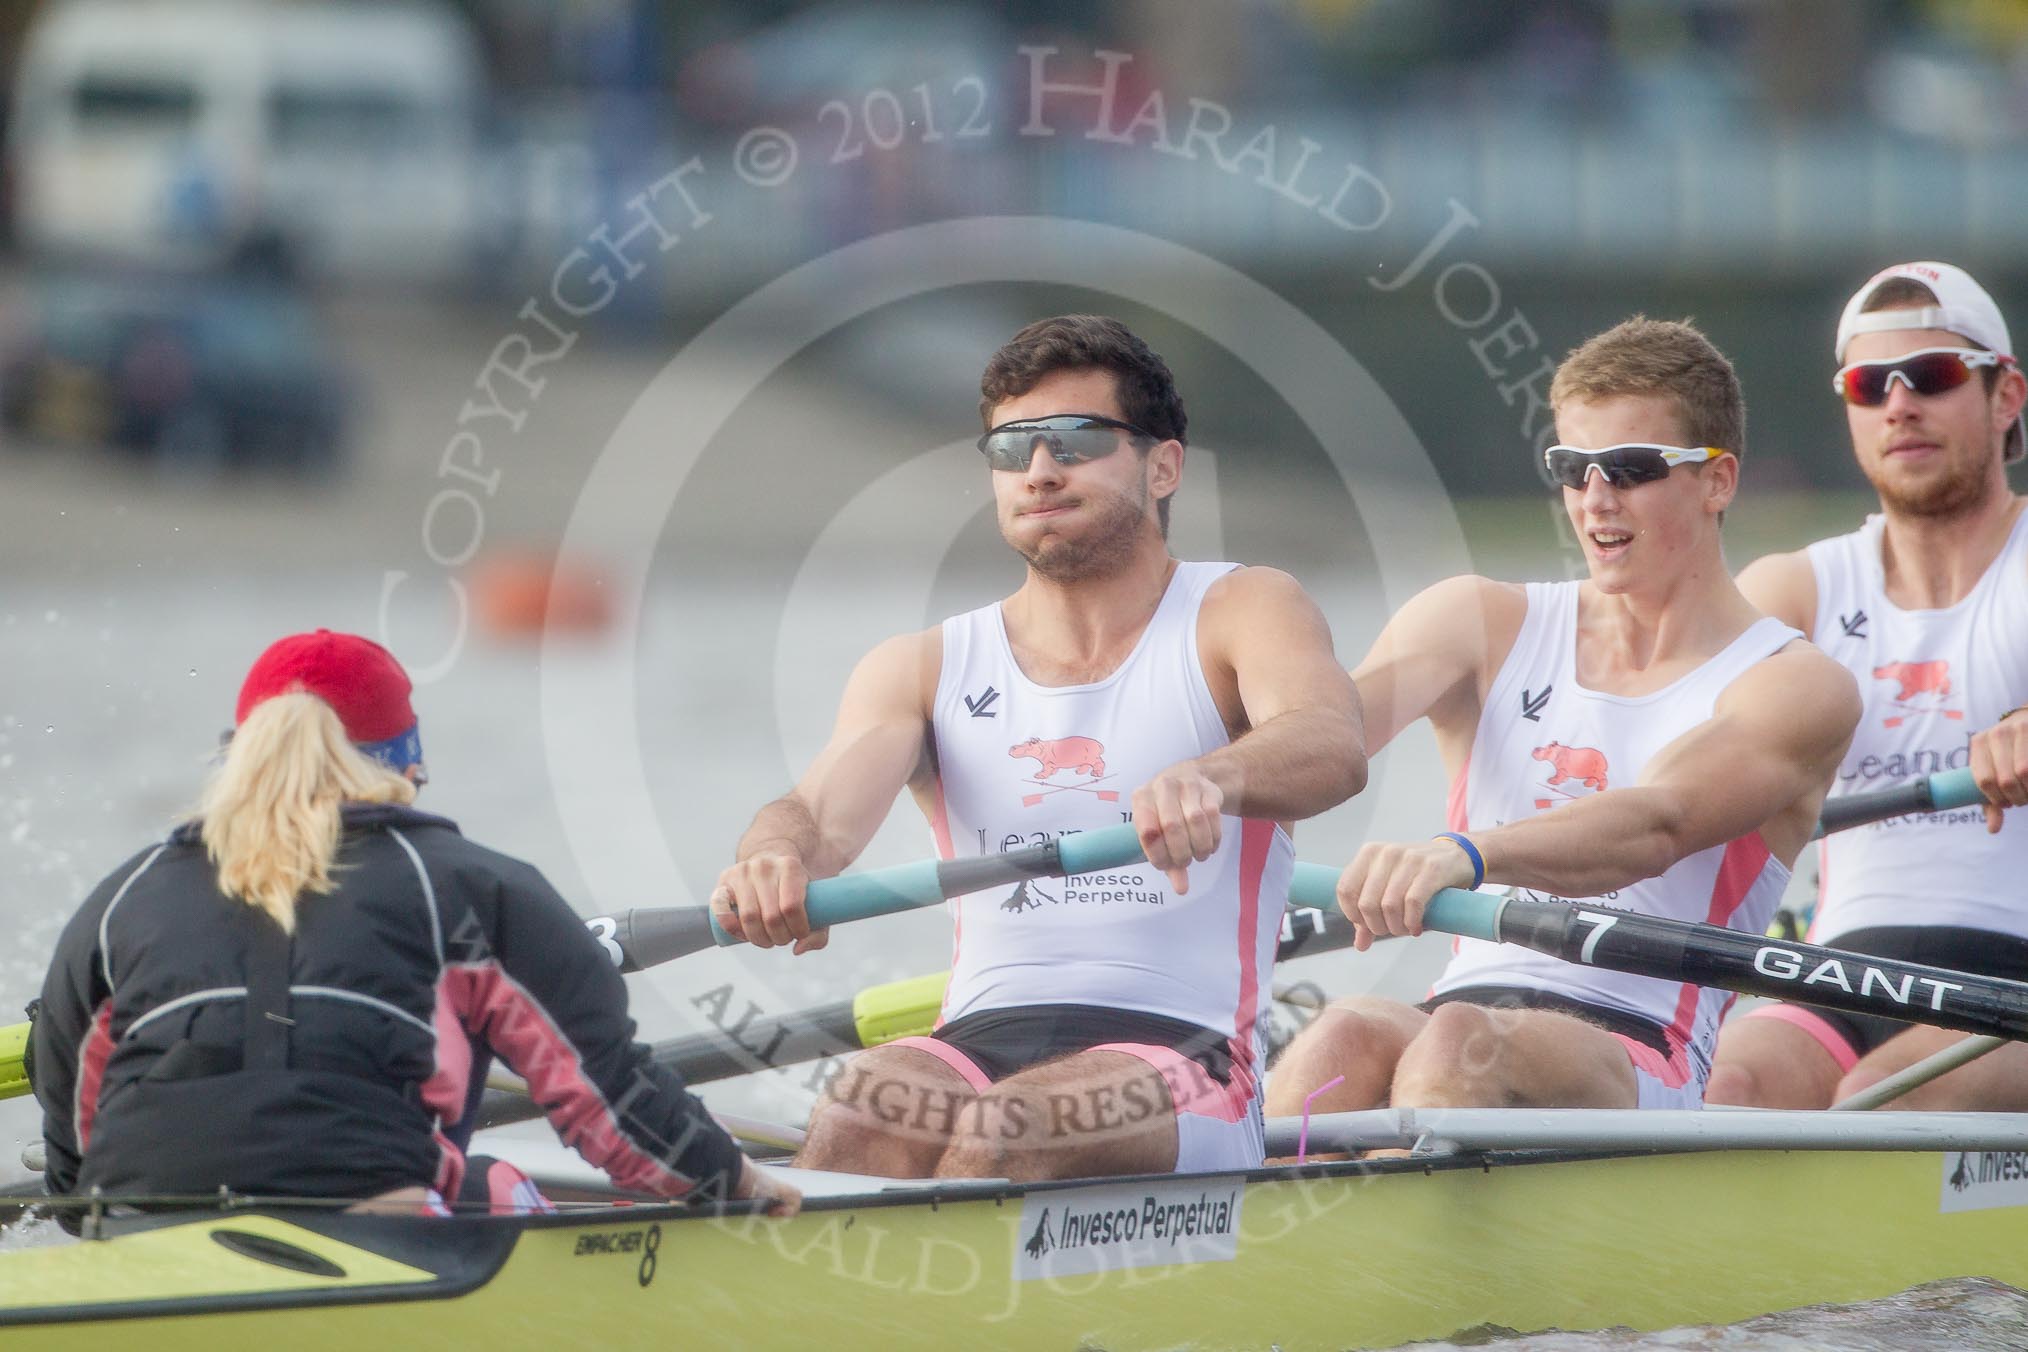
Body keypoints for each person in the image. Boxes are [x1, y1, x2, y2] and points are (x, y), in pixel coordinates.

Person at [713, 315, 1366, 1181]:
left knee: (1011, 1126)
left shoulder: (1241, 610)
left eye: (1077, 441)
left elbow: (1331, 741)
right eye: (1012, 448)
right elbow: (818, 817)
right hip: (981, 1034)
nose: (1041, 471)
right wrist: (772, 857)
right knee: (859, 1108)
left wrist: (1214, 774)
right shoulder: (923, 665)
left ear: (1162, 465)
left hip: (1191, 1053)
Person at [1266, 317, 1859, 1123]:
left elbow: (1656, 824)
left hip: (1643, 1047)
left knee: (1456, 1046)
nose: (1596, 498)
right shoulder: (1476, 622)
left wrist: (1462, 855)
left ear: (1717, 482)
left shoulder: (1795, 685)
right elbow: (1320, 741)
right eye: (1573, 469)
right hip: (1462, 1007)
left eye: (1631, 468)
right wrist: (1195, 785)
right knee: (1338, 1033)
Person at [32, 629, 798, 1217]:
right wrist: (734, 1180)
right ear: (405, 768)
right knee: (500, 1187)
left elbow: (70, 1127)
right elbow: (610, 1100)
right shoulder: (474, 887)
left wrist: (89, 1202)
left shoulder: (122, 898)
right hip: (375, 1218)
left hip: (133, 1224)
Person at [1707, 262, 2028, 1111]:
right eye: (1867, 384)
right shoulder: (1793, 593)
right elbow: (1648, 732)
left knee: (1883, 1098)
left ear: (2006, 397)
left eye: (1932, 376)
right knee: (1726, 1086)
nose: (1898, 404)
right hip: (1842, 970)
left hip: (2017, 980)